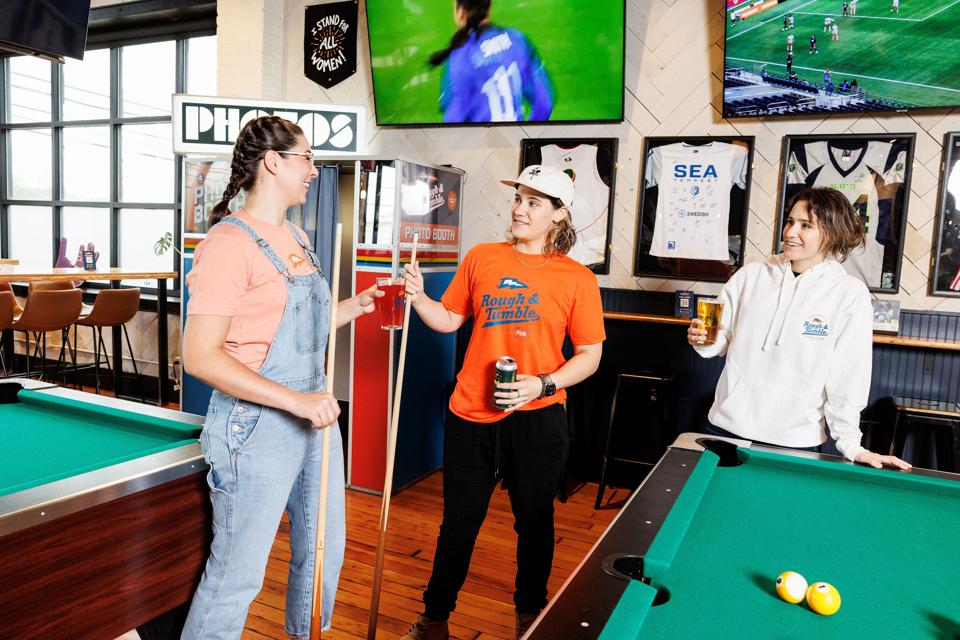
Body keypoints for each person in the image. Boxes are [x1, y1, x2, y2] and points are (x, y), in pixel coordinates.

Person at [180, 115, 381, 639]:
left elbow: (291, 326)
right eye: (306, 158)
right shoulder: (228, 244)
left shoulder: (294, 233)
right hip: (254, 429)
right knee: (236, 578)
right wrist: (296, 401)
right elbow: (200, 357)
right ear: (273, 162)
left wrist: (354, 306)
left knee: (321, 559)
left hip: (313, 421)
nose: (313, 170)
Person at [399, 165, 605, 640]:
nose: (519, 209)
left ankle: (529, 616)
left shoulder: (577, 279)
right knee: (458, 525)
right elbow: (450, 319)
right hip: (470, 413)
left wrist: (544, 384)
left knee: (534, 524)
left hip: (536, 419)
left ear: (559, 214)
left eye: (534, 202)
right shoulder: (482, 257)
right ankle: (435, 619)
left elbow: (591, 356)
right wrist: (419, 298)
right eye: (518, 199)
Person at [687, 187, 911, 471]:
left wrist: (852, 446)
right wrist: (703, 340)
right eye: (790, 221)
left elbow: (848, 379)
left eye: (806, 225)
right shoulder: (749, 276)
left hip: (794, 442)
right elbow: (718, 344)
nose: (791, 232)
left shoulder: (848, 294)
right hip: (724, 430)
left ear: (832, 233)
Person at [429, 0, 554, 123]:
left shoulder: (458, 59)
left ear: (461, 12)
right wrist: (525, 138)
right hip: (516, 142)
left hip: (479, 143)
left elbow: (453, 126)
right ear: (489, 7)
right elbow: (544, 103)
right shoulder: (517, 40)